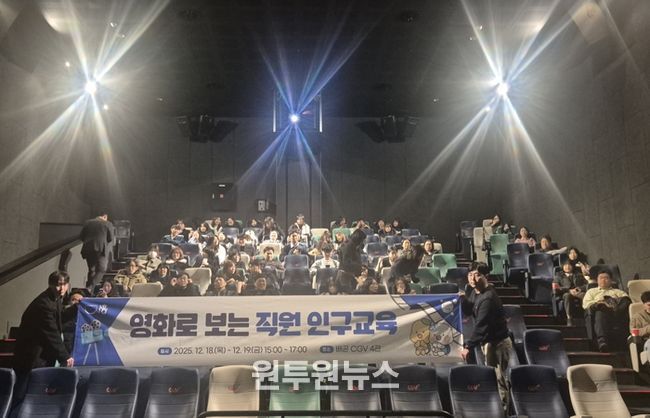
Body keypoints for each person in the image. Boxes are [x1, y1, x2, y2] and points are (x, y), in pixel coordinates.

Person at [13, 271, 74, 402]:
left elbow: (60, 317)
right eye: (58, 285)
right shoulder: (44, 304)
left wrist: (77, 308)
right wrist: (65, 356)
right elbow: (51, 332)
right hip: (30, 355)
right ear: (50, 285)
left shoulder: (54, 299)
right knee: (23, 392)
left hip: (39, 354)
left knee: (32, 391)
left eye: (64, 284)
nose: (62, 288)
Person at [460, 262, 511, 410]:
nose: (472, 279)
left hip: (497, 344)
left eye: (477, 275)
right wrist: (463, 300)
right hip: (488, 343)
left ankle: (504, 411)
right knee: (493, 377)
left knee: (499, 379)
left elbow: (481, 325)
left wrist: (468, 346)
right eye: (470, 275)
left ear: (485, 276)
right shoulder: (475, 292)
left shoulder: (488, 297)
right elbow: (469, 311)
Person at [582, 271, 631, 352]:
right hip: (600, 311)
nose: (603, 280)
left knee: (625, 301)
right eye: (601, 278)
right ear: (597, 280)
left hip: (616, 312)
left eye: (606, 278)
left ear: (611, 280)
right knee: (600, 311)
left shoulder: (618, 291)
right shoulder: (591, 291)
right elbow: (585, 304)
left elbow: (626, 301)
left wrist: (614, 304)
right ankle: (602, 342)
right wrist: (599, 303)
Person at [80, 212, 114, 287]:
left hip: (88, 248)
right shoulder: (108, 223)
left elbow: (82, 237)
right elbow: (110, 238)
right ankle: (91, 287)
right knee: (102, 269)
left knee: (92, 270)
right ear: (105, 216)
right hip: (101, 249)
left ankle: (89, 289)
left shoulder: (87, 223)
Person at [553, 261, 588, 326]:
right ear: (562, 267)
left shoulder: (578, 274)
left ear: (572, 266)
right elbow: (556, 288)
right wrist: (569, 290)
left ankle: (587, 317)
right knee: (567, 295)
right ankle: (569, 318)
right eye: (565, 265)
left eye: (569, 265)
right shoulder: (558, 275)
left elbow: (586, 285)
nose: (567, 267)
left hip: (578, 293)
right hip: (565, 293)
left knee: (585, 295)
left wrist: (579, 289)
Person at [336, 229, 366, 293]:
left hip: (352, 276)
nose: (362, 242)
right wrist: (359, 266)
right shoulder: (347, 246)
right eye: (362, 240)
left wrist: (361, 266)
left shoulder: (355, 247)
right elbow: (346, 263)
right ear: (358, 239)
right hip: (345, 277)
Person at [630, 291, 650, 365]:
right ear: (644, 305)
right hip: (647, 340)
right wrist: (648, 329)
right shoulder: (637, 317)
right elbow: (633, 333)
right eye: (649, 305)